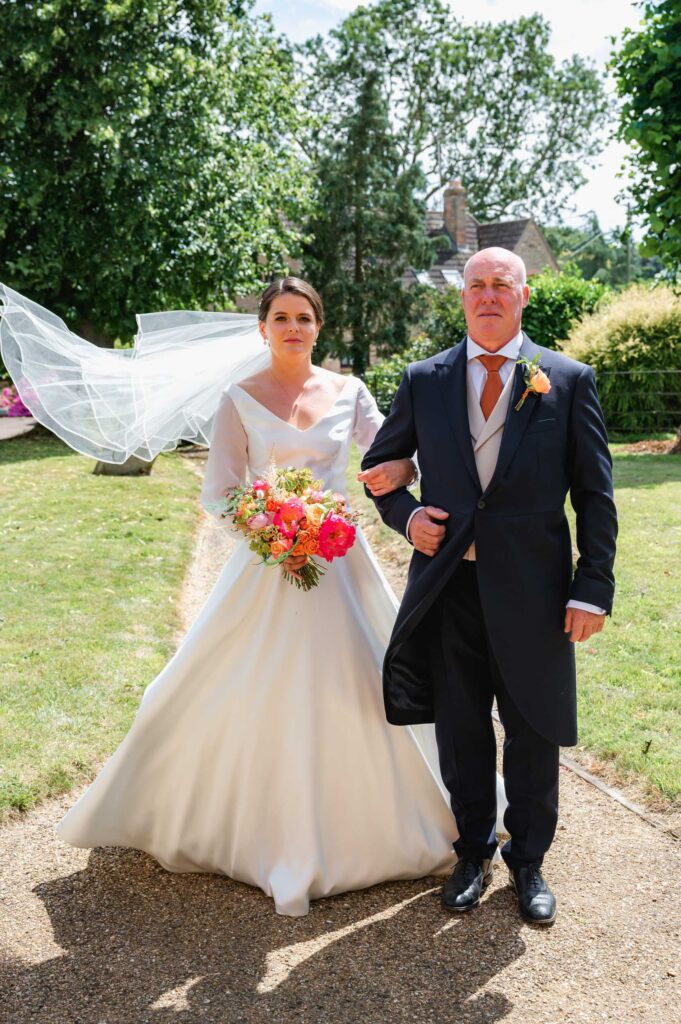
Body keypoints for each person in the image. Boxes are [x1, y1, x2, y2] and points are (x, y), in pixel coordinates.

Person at [37, 275, 510, 918]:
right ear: (262, 329)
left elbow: (395, 457)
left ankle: (416, 818)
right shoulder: (238, 398)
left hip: (341, 565)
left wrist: (414, 488)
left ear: (320, 327)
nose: (293, 328)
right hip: (268, 565)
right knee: (229, 683)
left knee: (371, 682)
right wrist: (272, 527)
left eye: (304, 318)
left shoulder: (351, 392)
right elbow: (221, 491)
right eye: (281, 318)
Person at [361, 248, 617, 926]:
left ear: (522, 295)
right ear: (462, 297)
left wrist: (590, 587)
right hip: (448, 588)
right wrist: (406, 515)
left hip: (535, 592)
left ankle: (527, 861)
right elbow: (379, 468)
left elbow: (594, 494)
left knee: (532, 728)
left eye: (500, 284)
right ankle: (471, 851)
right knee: (461, 727)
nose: (486, 295)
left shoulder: (566, 378)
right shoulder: (423, 379)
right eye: (474, 285)